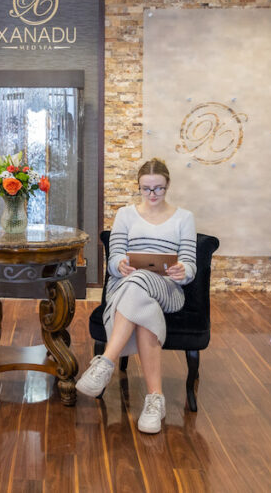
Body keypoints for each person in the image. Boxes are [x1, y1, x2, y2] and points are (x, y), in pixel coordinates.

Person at [74, 158, 197, 434]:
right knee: (140, 297)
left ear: (168, 186)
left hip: (168, 291)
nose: (152, 195)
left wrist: (183, 270)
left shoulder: (184, 218)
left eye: (158, 189)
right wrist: (119, 264)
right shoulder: (125, 215)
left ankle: (106, 362)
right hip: (127, 287)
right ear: (138, 187)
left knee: (139, 282)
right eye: (146, 189)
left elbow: (190, 264)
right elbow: (116, 255)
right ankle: (155, 399)